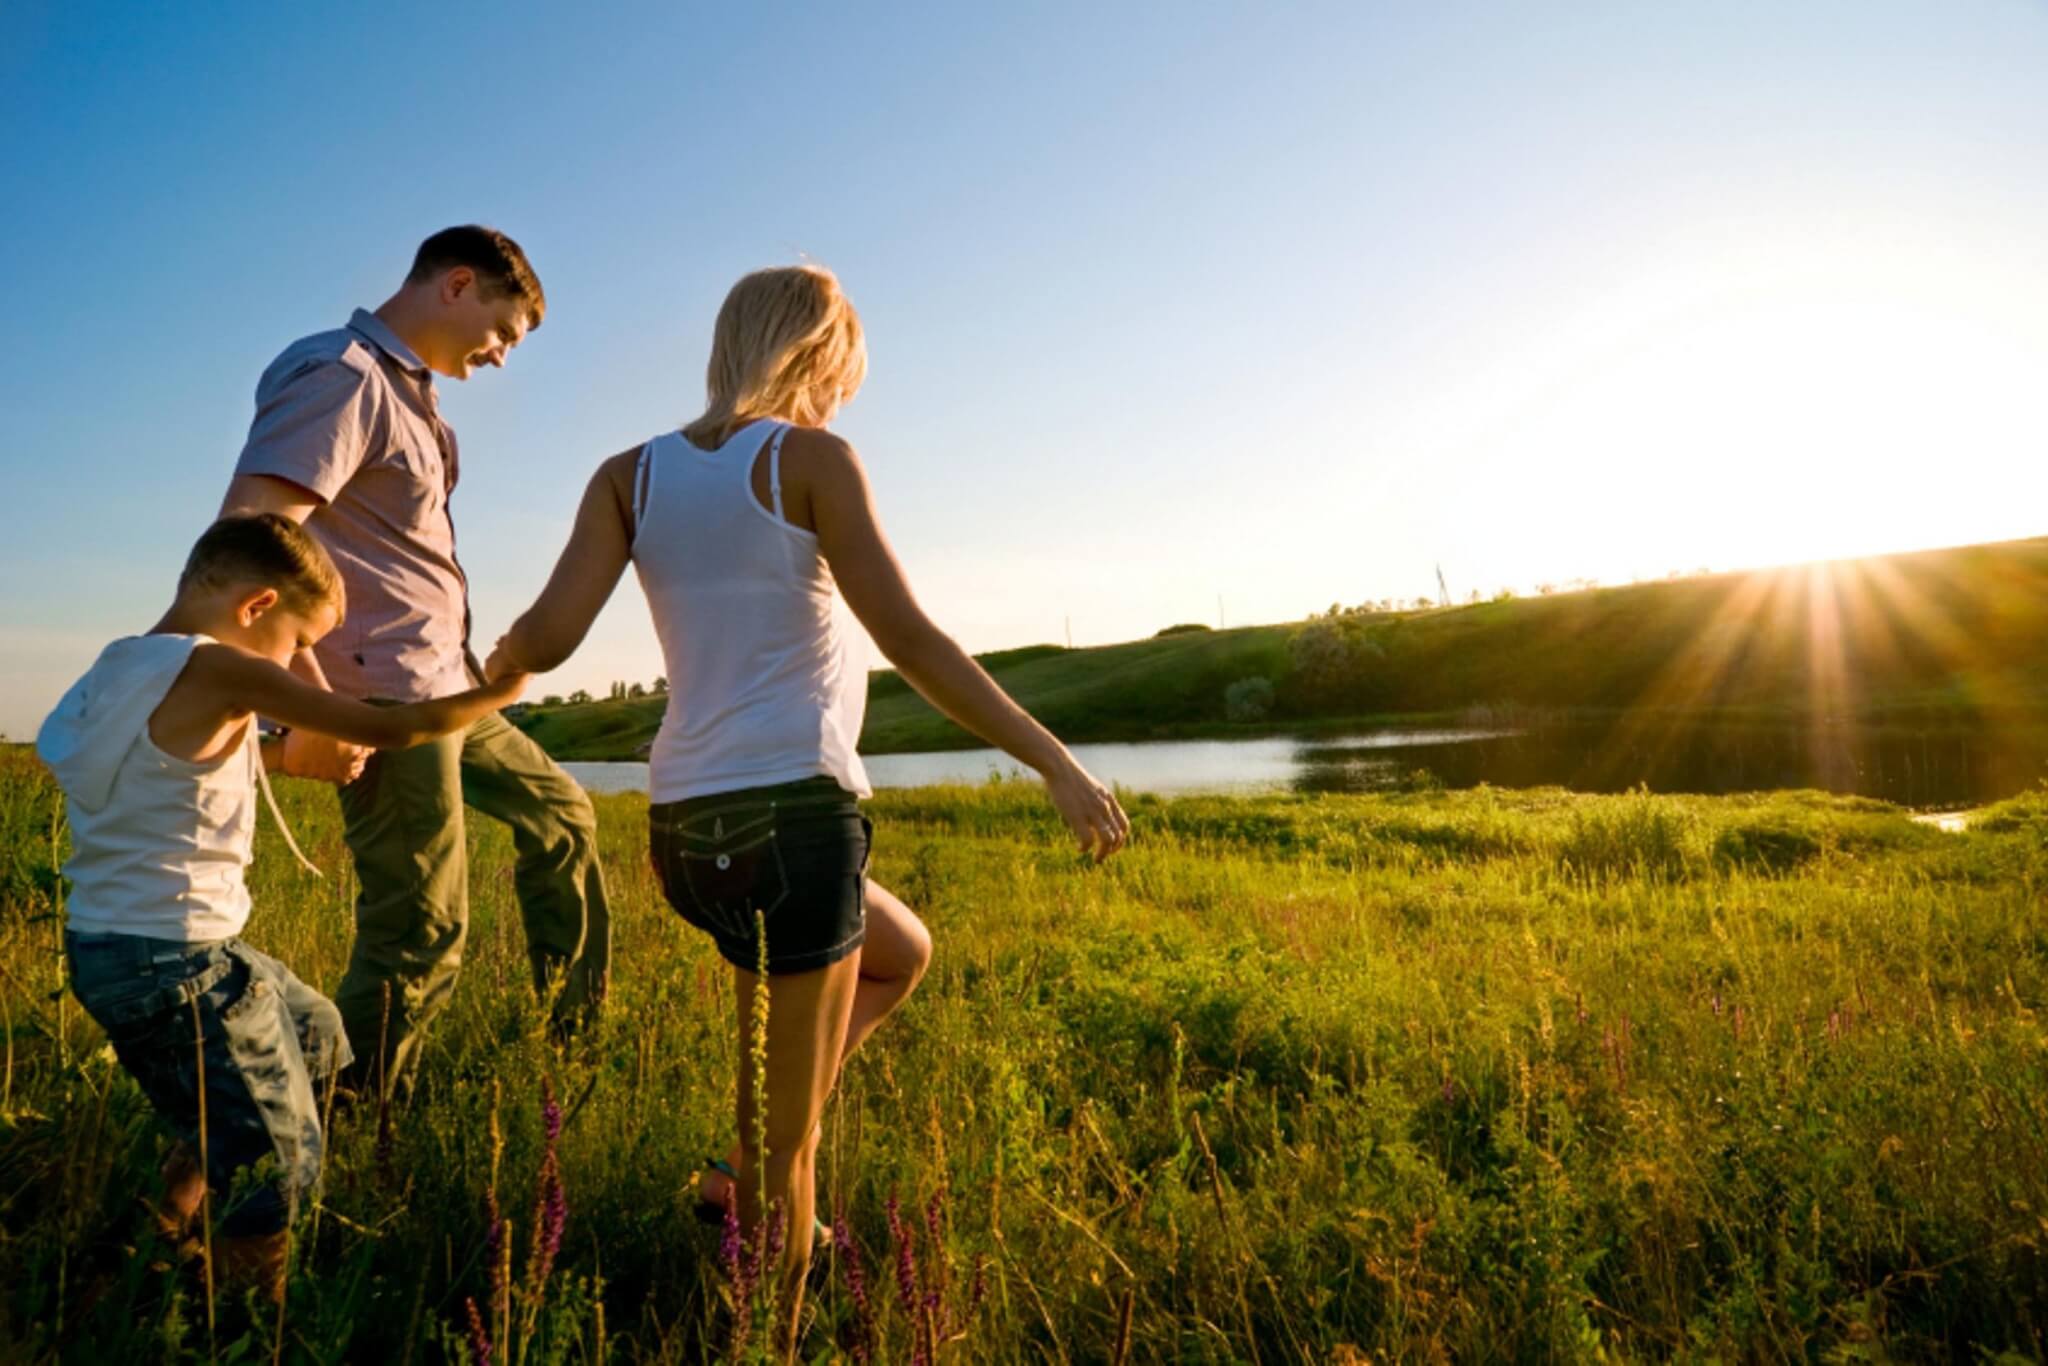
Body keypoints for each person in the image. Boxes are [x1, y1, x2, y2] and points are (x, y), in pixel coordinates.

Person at [486, 263, 1131, 1353]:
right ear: (818, 354)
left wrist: (459, 684)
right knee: (795, 1151)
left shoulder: (624, 476)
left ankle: (738, 1170)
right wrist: (1054, 761)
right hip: (794, 821)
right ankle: (767, 1319)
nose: (843, 396)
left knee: (901, 950)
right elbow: (913, 641)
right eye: (845, 371)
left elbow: (541, 643)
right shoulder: (810, 459)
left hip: (683, 831)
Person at [36, 515, 527, 1299]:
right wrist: (504, 686)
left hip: (120, 951)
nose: (303, 665)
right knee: (281, 1162)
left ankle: (158, 1232)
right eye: (302, 641)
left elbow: (165, 763)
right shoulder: (224, 668)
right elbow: (394, 726)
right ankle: (234, 1321)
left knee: (316, 1031)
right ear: (258, 606)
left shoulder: (117, 668)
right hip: (179, 964)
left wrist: (279, 755)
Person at [219, 226, 608, 1099]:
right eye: (505, 332)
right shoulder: (343, 375)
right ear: (458, 284)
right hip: (381, 702)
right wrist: (311, 708)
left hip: (447, 688)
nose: (504, 357)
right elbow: (250, 537)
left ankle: (574, 1043)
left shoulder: (413, 398)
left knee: (566, 819)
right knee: (421, 933)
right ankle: (330, 1126)